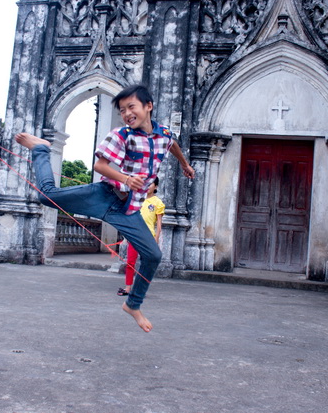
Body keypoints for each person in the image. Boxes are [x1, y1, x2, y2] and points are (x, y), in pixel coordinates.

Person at [15, 84, 194, 332]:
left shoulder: (164, 133)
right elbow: (100, 166)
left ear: (148, 106)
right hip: (105, 195)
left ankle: (133, 304)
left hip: (128, 209)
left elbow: (172, 143)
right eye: (122, 110)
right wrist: (126, 179)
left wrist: (184, 164)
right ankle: (40, 149)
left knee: (153, 255)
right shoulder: (121, 135)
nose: (127, 113)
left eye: (131, 107)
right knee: (47, 196)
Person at [118, 177, 164, 296]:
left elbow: (159, 223)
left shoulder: (158, 202)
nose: (147, 186)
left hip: (148, 237)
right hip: (134, 236)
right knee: (130, 262)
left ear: (156, 187)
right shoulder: (137, 199)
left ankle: (140, 289)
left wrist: (156, 238)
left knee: (146, 265)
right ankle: (128, 288)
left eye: (151, 184)